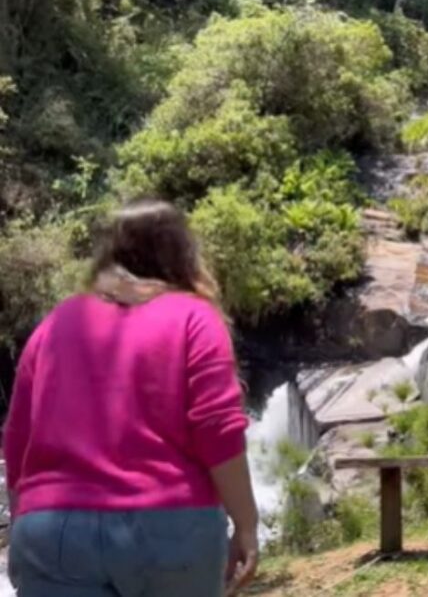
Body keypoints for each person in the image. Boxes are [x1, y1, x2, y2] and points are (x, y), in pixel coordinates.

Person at [2, 199, 260, 596]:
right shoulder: (194, 318)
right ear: (183, 253)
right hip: (171, 528)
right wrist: (246, 523)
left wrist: (26, 522)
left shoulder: (56, 324)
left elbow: (17, 439)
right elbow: (217, 430)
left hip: (54, 529)